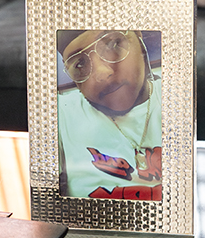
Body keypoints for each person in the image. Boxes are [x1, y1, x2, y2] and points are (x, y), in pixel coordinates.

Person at [56, 29, 162, 200]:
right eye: (79, 64)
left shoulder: (179, 96)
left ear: (139, 40)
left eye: (113, 44)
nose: (102, 74)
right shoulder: (60, 114)